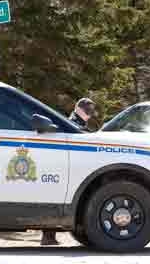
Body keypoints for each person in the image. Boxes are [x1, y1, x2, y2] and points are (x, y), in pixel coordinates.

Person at [41, 98, 96, 246]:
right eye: (86, 110)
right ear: (77, 108)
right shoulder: (72, 122)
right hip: (65, 165)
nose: (88, 114)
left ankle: (50, 236)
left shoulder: (78, 122)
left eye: (90, 111)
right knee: (57, 197)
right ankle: (48, 236)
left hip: (70, 165)